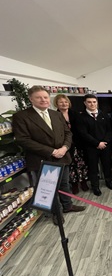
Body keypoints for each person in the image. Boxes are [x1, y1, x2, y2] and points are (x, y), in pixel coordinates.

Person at [12, 86, 85, 225]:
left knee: (64, 183)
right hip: (42, 159)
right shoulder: (22, 116)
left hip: (62, 156)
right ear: (31, 99)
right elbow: (23, 140)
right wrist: (51, 151)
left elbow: (68, 133)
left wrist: (65, 147)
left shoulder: (56, 114)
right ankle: (56, 212)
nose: (43, 100)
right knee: (49, 187)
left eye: (45, 97)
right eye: (39, 97)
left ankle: (67, 205)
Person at [77, 94, 112, 196]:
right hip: (91, 147)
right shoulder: (81, 117)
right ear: (85, 103)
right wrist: (97, 143)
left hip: (105, 146)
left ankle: (109, 182)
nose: (92, 104)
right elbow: (83, 133)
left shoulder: (104, 115)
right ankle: (95, 187)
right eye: (89, 102)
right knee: (93, 168)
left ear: (97, 103)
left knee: (107, 165)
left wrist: (104, 142)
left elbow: (109, 130)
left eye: (94, 102)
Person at [53, 94, 89, 194]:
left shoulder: (76, 114)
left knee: (82, 164)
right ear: (56, 104)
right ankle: (74, 184)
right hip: (65, 145)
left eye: (66, 102)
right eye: (61, 102)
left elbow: (82, 129)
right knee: (71, 165)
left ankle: (84, 182)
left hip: (79, 144)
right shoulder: (54, 116)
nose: (64, 104)